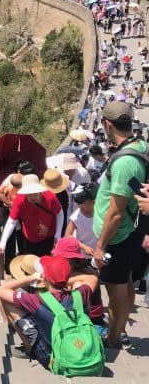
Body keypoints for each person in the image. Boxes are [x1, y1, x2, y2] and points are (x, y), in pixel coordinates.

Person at [93, 101, 144, 347]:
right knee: (124, 283)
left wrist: (101, 245)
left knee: (115, 292)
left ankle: (113, 337)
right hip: (129, 232)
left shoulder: (124, 162)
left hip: (117, 236)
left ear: (107, 124)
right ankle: (119, 329)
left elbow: (115, 212)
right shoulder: (138, 146)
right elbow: (136, 188)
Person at [0, 255, 98, 369]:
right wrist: (64, 280)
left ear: (45, 277)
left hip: (51, 358)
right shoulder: (80, 294)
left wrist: (30, 278)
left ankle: (29, 350)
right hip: (79, 352)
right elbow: (92, 278)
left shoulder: (36, 300)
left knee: (8, 302)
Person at [0, 174, 63, 257]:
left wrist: (58, 234)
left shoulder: (50, 197)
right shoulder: (19, 200)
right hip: (30, 239)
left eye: (35, 193)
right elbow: (12, 221)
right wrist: (2, 243)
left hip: (49, 237)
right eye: (29, 194)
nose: (33, 197)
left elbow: (59, 212)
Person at [52, 237, 105, 326]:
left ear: (68, 259)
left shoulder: (79, 276)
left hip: (89, 318)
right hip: (89, 313)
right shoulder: (82, 268)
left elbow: (74, 305)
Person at [66, 184, 98, 255]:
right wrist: (83, 247)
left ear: (93, 202)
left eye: (83, 203)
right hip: (81, 254)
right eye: (78, 203)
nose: (80, 206)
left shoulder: (100, 214)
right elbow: (68, 235)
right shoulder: (77, 215)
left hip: (97, 253)